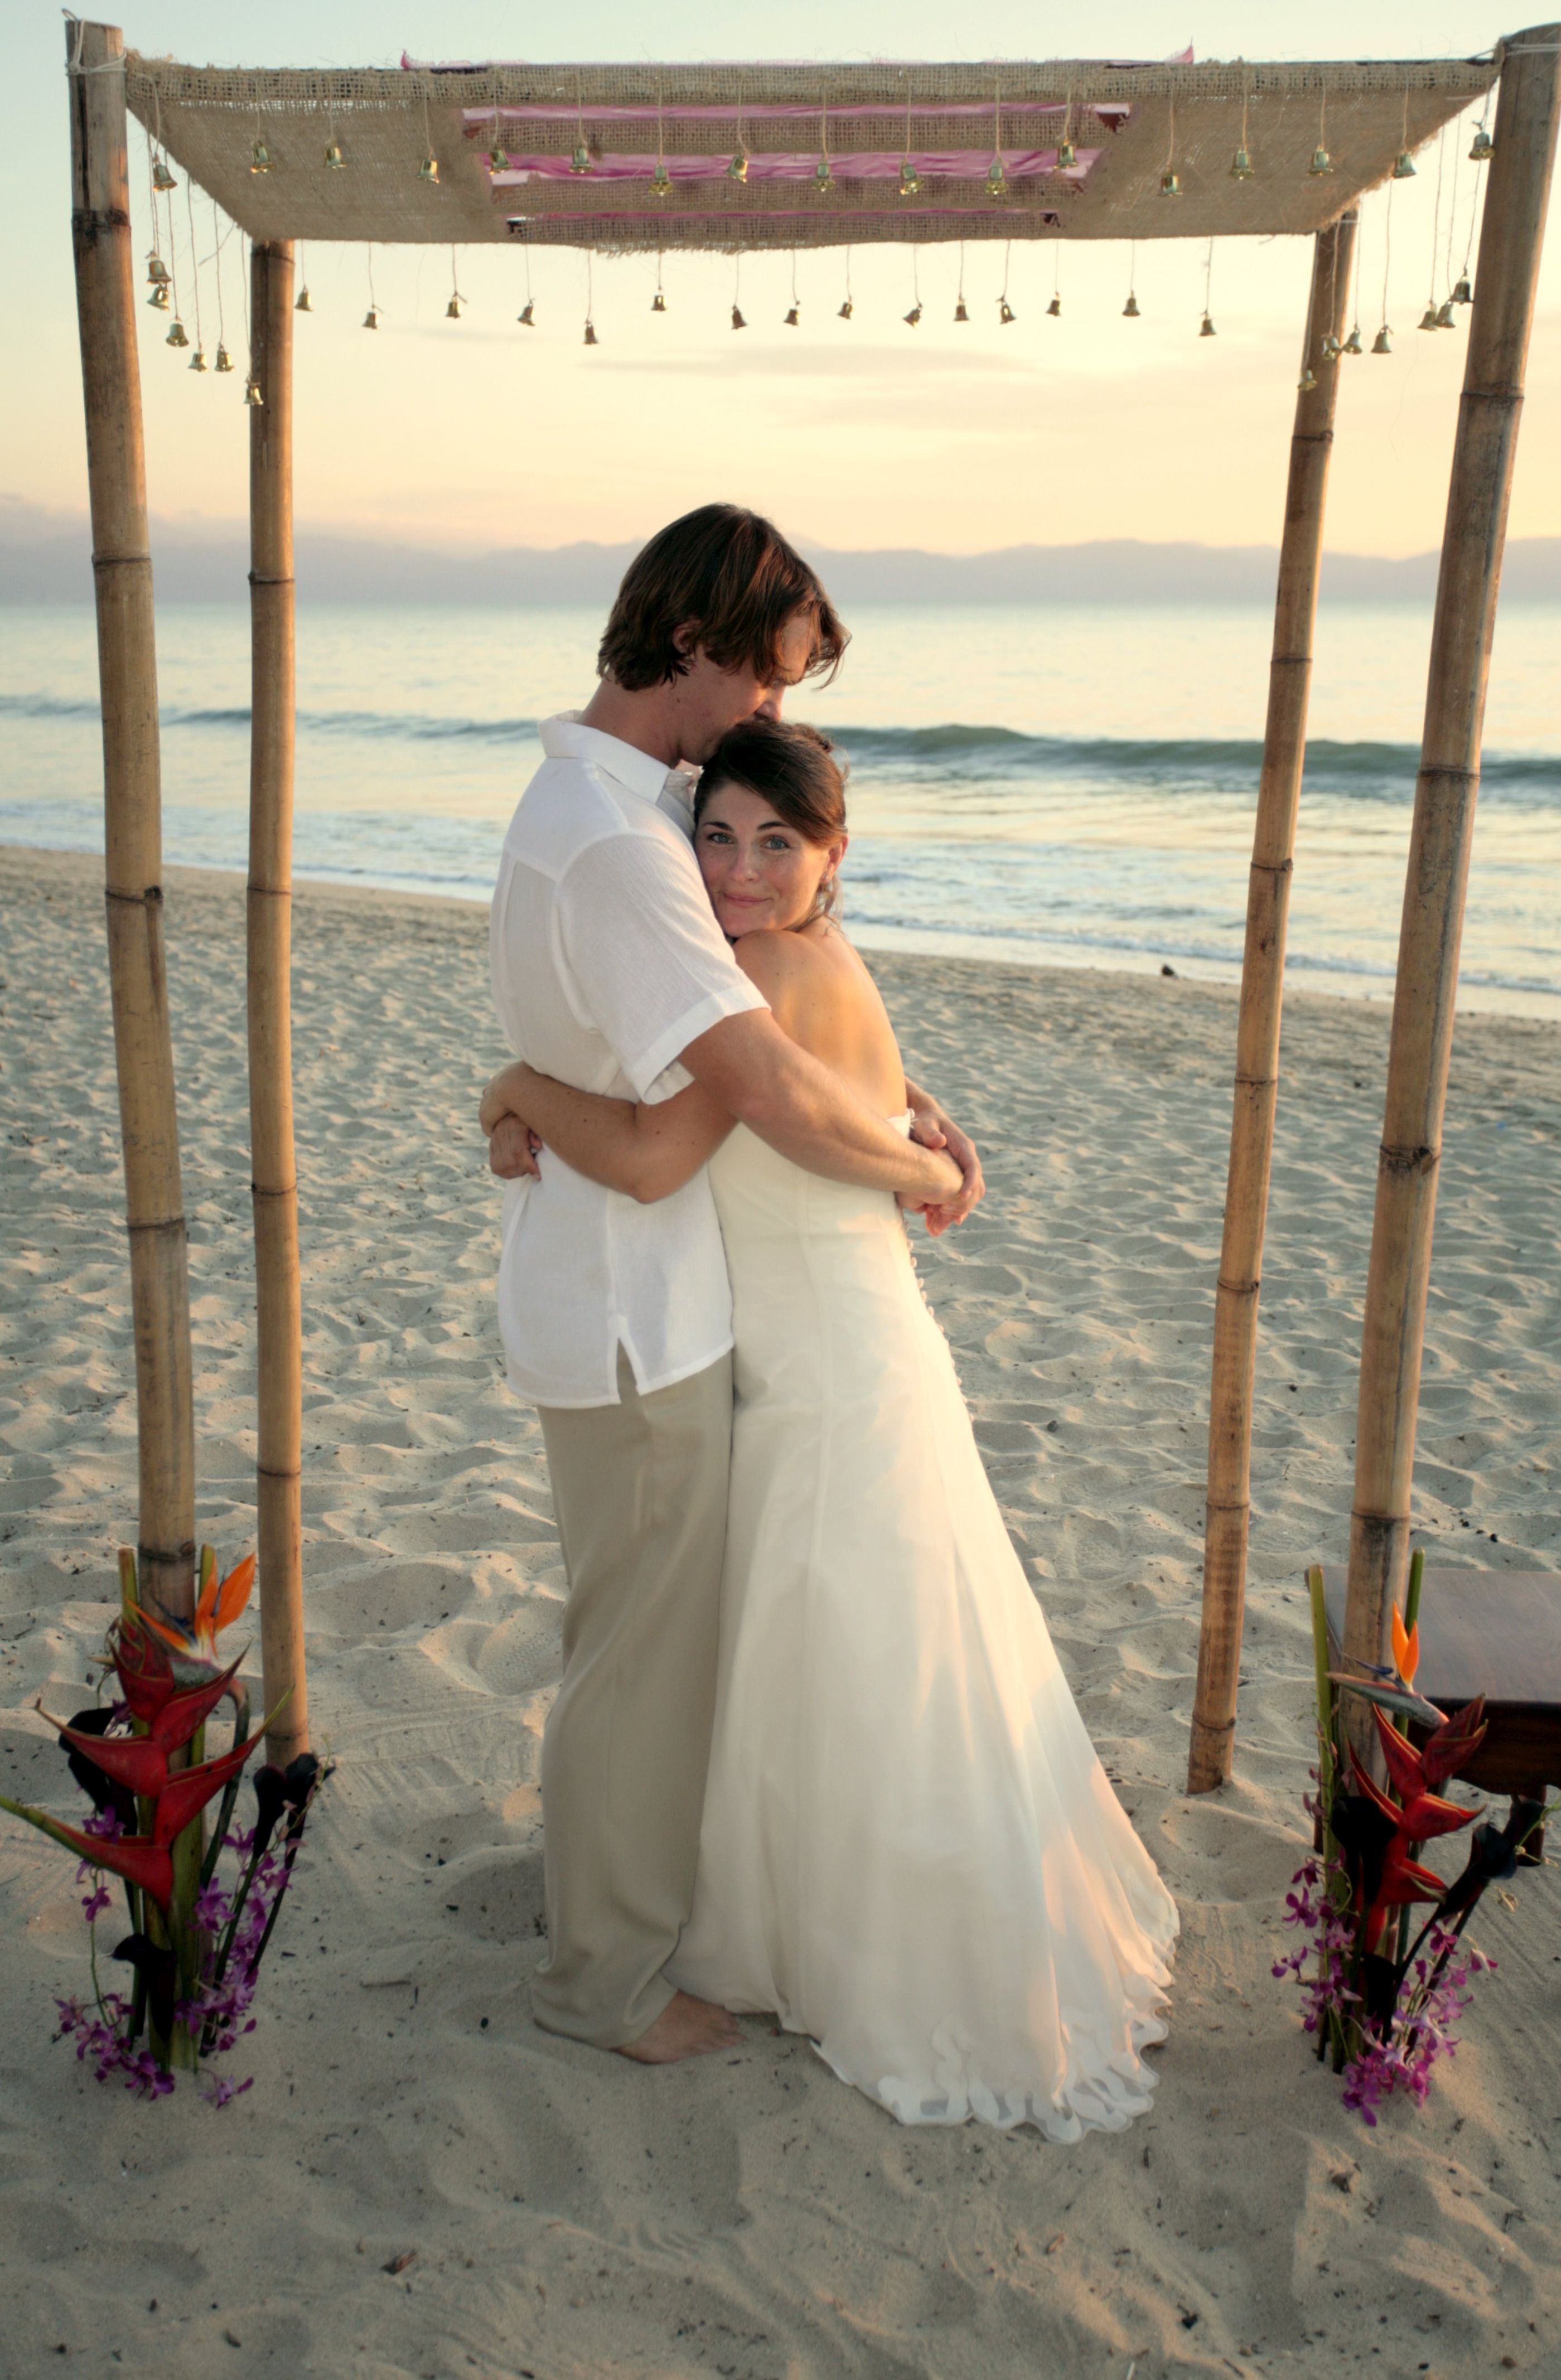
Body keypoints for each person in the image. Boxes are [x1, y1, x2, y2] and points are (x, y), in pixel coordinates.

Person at [485, 716, 1179, 2137]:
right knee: (879, 1648)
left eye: (775, 842)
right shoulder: (824, 960)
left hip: (817, 1369)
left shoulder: (750, 976)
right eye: (716, 836)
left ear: (831, 856)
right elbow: (868, 1103)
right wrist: (930, 1142)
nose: (737, 870)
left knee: (850, 1646)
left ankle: (866, 1949)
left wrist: (511, 1086)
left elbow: (650, 1155)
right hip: (857, 1347)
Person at [484, 505, 978, 2069]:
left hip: (626, 1289)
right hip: (637, 1303)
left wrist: (904, 1112)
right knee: (645, 1655)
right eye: (763, 679)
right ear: (692, 645)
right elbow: (746, 1092)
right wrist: (926, 1173)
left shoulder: (592, 809)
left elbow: (775, 1042)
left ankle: (597, 1901)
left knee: (627, 1636)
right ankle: (608, 1982)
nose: (772, 715)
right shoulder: (629, 850)